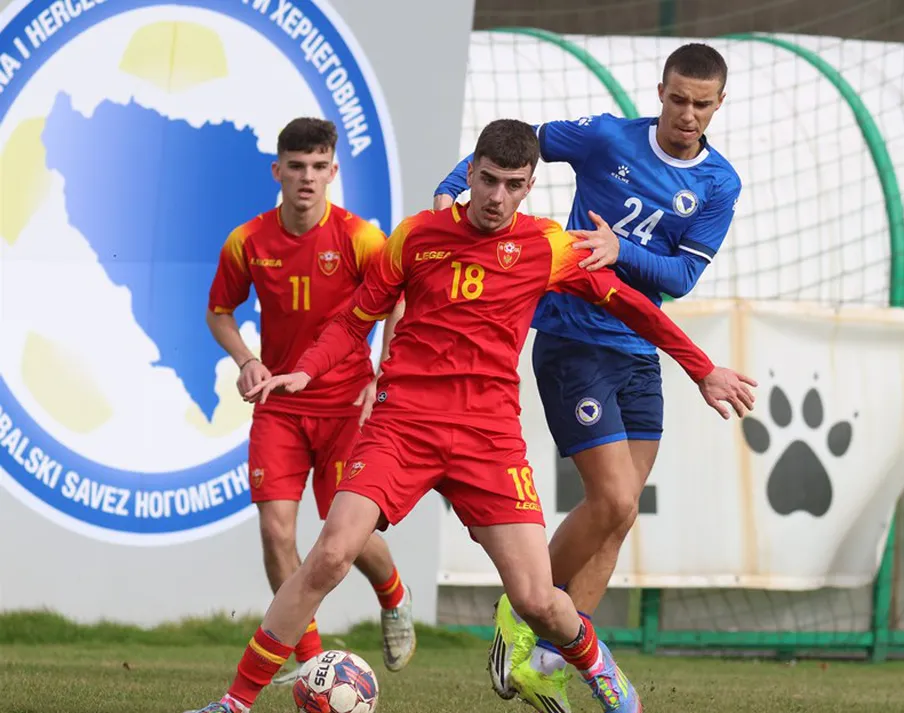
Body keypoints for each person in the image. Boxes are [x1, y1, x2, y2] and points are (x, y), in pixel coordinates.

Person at [184, 119, 755, 713]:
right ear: (471, 172)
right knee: (330, 554)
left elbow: (637, 309)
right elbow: (355, 320)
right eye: (487, 181)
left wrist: (702, 368)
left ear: (530, 185)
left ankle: (600, 668)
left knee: (536, 598)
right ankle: (234, 703)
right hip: (402, 426)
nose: (496, 197)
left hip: (488, 438)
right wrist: (308, 368)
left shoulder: (551, 247)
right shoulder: (416, 237)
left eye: (512, 185)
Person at [433, 42, 739, 710]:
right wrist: (452, 189)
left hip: (638, 349)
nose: (687, 114)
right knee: (615, 501)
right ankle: (523, 608)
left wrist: (619, 248)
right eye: (678, 98)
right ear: (659, 91)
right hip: (572, 337)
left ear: (720, 105)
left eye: (701, 104)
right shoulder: (605, 139)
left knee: (617, 518)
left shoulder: (719, 184)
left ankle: (547, 657)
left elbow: (681, 277)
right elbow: (518, 145)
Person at [206, 117, 416, 684]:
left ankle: (393, 595)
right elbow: (219, 311)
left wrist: (383, 374)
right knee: (276, 531)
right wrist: (247, 359)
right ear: (277, 170)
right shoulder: (247, 241)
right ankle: (311, 659)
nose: (307, 177)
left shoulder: (360, 239)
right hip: (279, 403)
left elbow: (396, 302)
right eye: (296, 166)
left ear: (333, 171)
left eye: (318, 167)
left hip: (348, 407)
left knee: (344, 536)